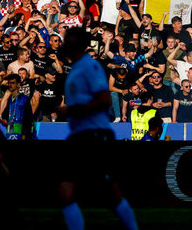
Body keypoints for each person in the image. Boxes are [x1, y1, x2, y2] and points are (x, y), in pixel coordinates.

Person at [56, 27, 139, 230]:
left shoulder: (89, 66)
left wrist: (72, 111)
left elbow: (103, 100)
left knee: (110, 193)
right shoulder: (75, 68)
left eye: (67, 39)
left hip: (94, 134)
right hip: (80, 135)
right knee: (66, 190)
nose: (63, 43)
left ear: (76, 42)